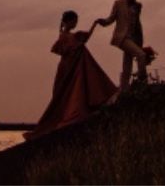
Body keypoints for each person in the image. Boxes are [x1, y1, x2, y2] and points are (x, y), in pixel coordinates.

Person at [25, 10, 117, 140]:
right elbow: (75, 48)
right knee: (63, 94)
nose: (75, 24)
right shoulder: (65, 36)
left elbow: (84, 40)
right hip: (67, 68)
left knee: (66, 93)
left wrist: (94, 24)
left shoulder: (70, 36)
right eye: (74, 21)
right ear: (69, 21)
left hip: (70, 67)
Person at [96, 0, 148, 92]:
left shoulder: (138, 6)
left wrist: (140, 40)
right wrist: (103, 22)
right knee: (141, 55)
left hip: (133, 38)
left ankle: (124, 89)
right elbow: (111, 19)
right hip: (122, 37)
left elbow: (137, 23)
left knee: (127, 65)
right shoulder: (119, 3)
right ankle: (142, 82)